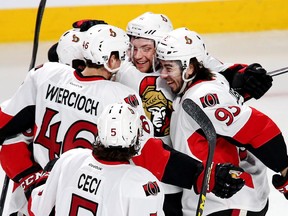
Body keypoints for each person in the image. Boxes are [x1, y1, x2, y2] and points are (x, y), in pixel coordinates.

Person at [0, 24, 245, 215]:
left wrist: (30, 178)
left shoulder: (45, 75)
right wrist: (202, 174)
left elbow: (6, 127)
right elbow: (150, 153)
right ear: (111, 59)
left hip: (37, 201)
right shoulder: (119, 98)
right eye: (122, 54)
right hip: (95, 197)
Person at [116, 11, 273, 216]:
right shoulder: (122, 69)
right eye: (134, 48)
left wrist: (248, 76)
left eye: (146, 48)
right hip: (144, 167)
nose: (137, 56)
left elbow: (224, 74)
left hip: (182, 171)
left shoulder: (183, 64)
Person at [156, 27, 288, 215]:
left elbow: (259, 129)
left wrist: (285, 169)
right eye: (162, 66)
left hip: (228, 202)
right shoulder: (207, 82)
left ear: (190, 68)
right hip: (220, 200)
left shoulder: (201, 96)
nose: (162, 74)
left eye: (169, 67)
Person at [28, 103, 166, 216]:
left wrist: (45, 179)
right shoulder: (141, 182)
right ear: (136, 137)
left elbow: (35, 209)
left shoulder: (69, 159)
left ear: (100, 130)